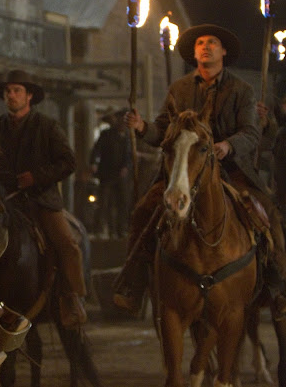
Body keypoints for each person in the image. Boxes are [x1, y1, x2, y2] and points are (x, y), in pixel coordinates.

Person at [113, 23, 286, 316]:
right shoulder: (178, 89)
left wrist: (228, 145)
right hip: (187, 171)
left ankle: (276, 282)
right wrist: (142, 127)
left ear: (223, 51)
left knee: (267, 211)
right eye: (200, 43)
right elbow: (163, 131)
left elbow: (251, 132)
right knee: (144, 210)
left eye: (212, 42)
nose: (206, 47)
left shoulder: (241, 90)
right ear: (194, 54)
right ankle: (135, 281)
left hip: (231, 169)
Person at [0, 69, 87, 329]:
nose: (11, 95)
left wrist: (36, 177)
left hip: (41, 199)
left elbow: (68, 162)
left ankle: (72, 297)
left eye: (16, 91)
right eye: (7, 91)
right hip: (5, 200)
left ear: (29, 96)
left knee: (67, 244)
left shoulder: (46, 126)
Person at [89, 108, 132, 238]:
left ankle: (120, 229)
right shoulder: (106, 134)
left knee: (122, 203)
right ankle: (100, 229)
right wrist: (94, 163)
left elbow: (129, 155)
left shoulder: (128, 137)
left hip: (121, 175)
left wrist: (126, 167)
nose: (122, 123)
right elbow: (96, 149)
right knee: (104, 202)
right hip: (107, 173)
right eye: (120, 120)